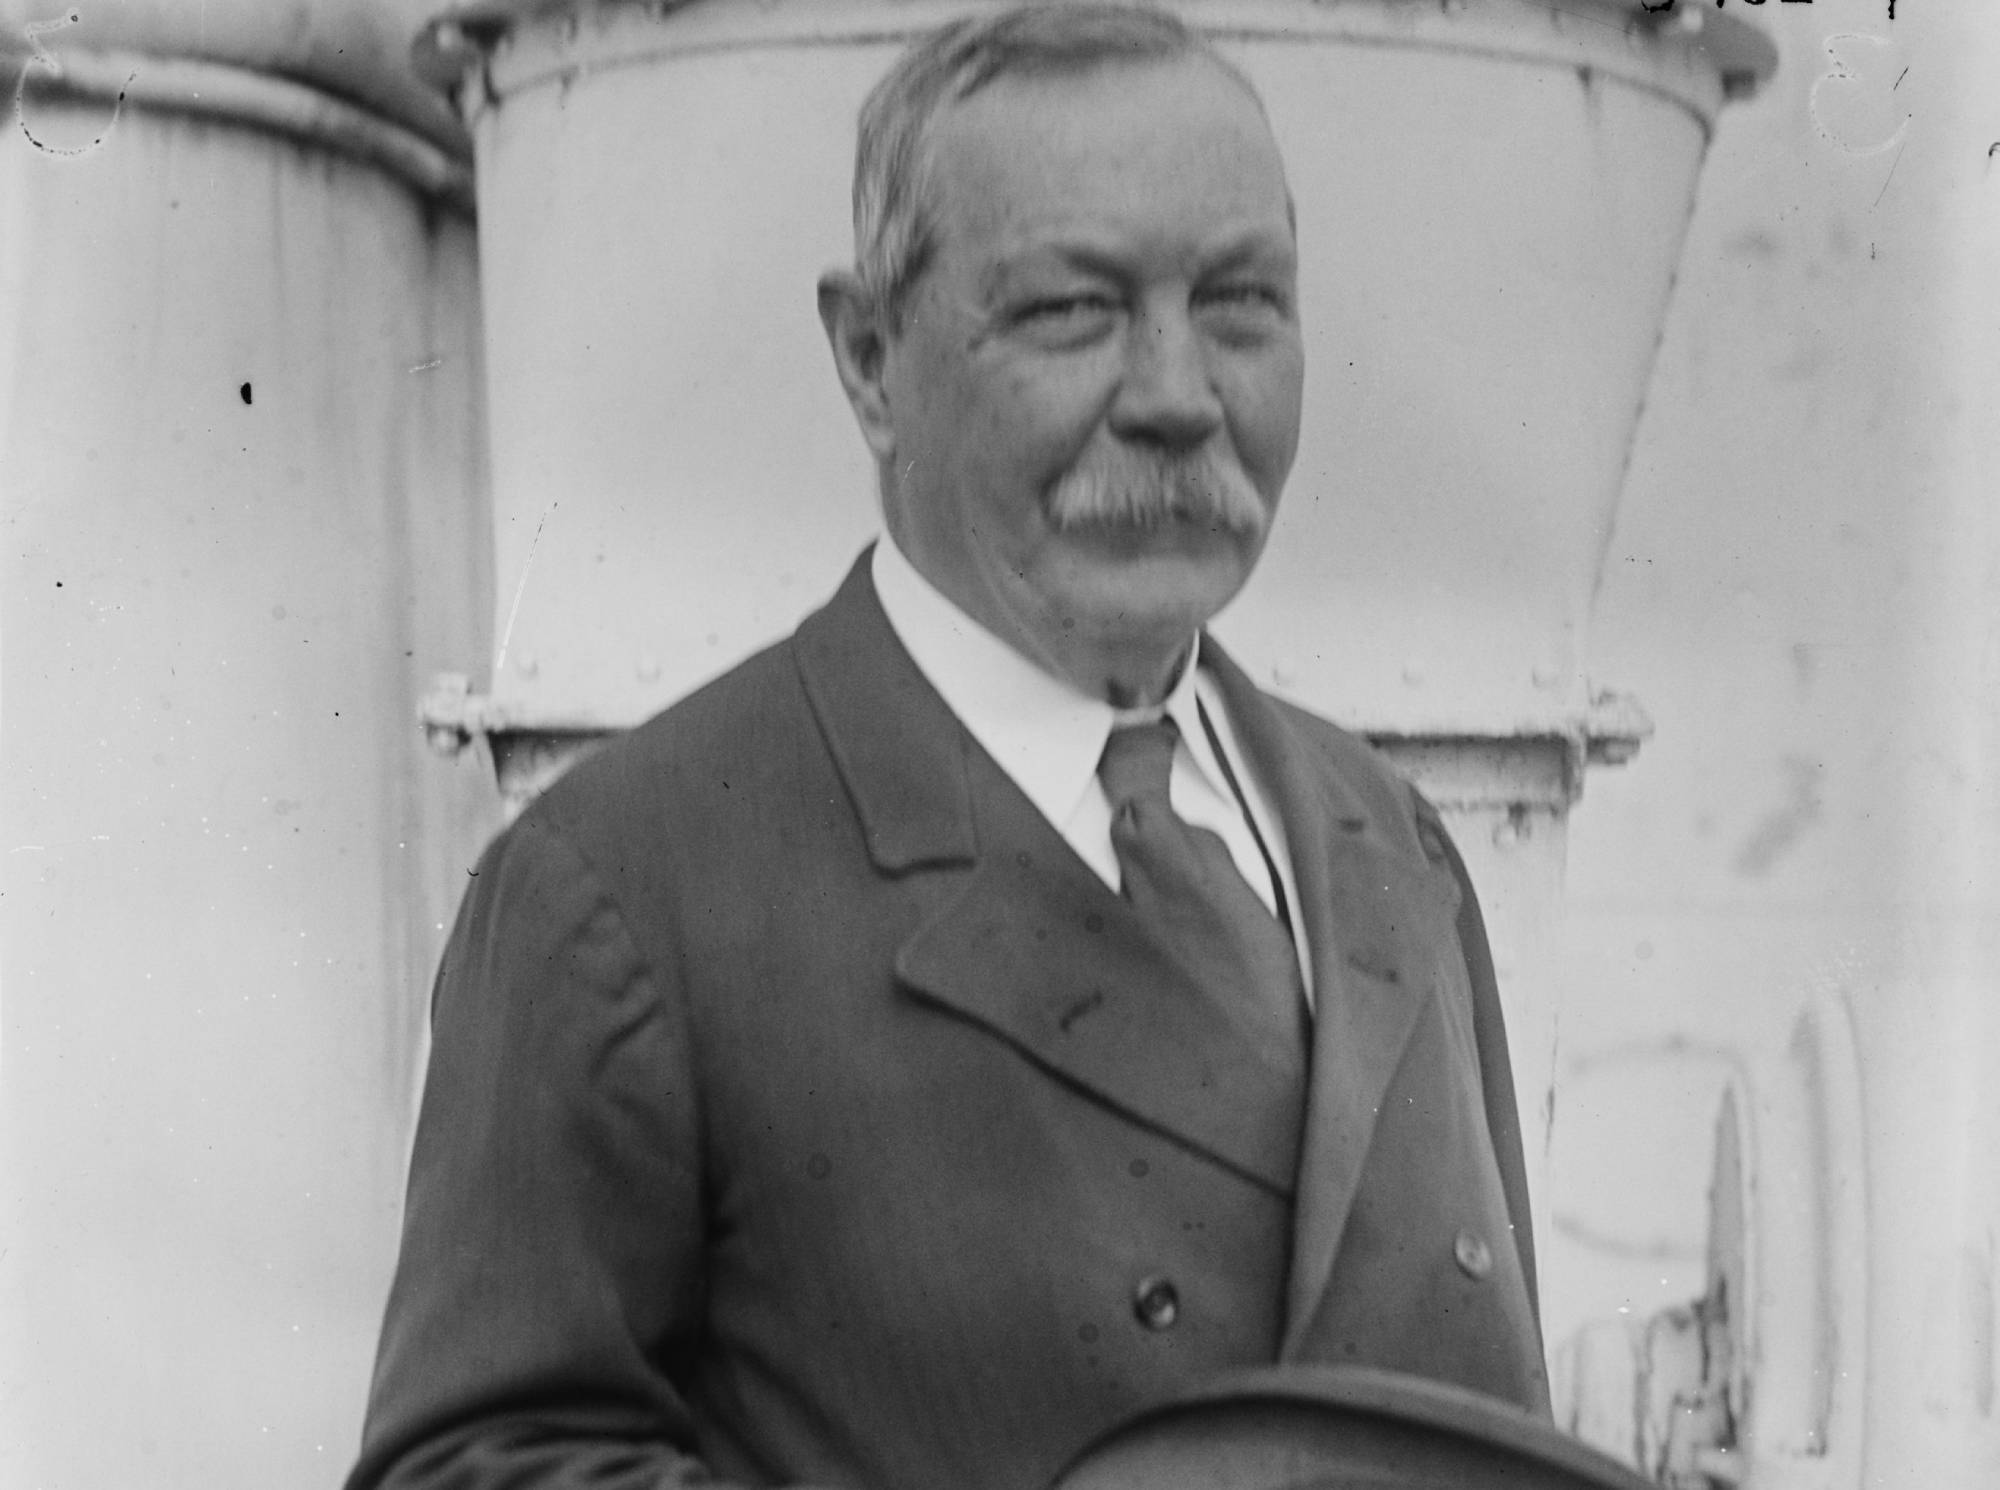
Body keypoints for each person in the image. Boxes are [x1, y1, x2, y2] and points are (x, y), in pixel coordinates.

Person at [348, 7, 1546, 1489]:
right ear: (870, 360)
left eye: (1242, 305)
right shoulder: (623, 885)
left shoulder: (1395, 847)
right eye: (1072, 311)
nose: (1179, 396)